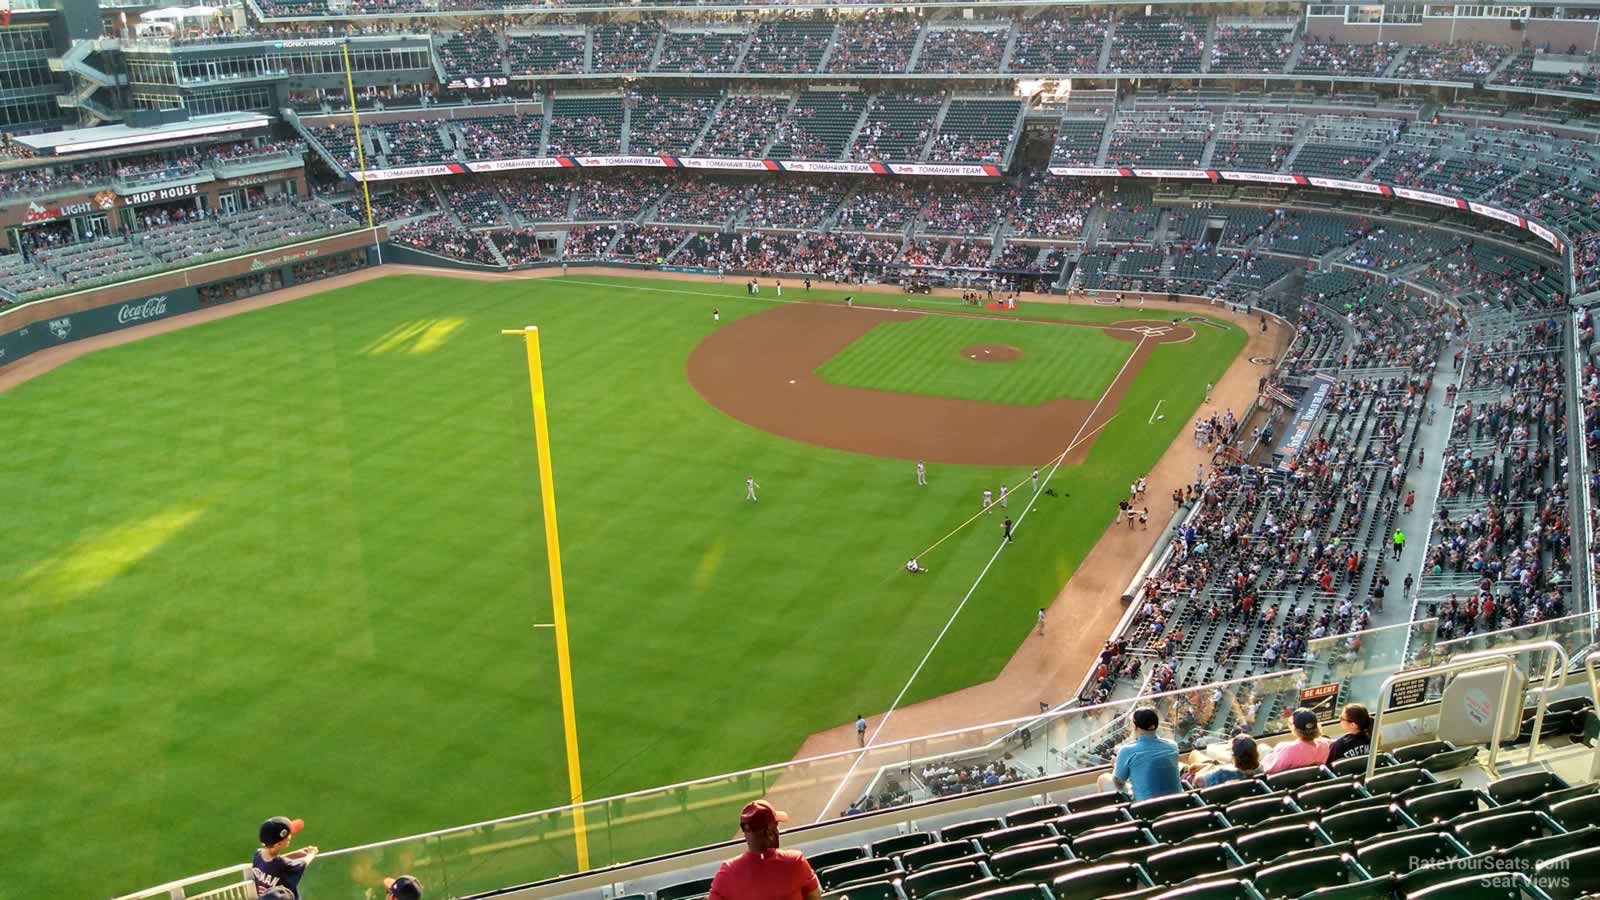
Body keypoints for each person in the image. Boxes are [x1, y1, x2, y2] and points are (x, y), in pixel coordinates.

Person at [708, 801, 821, 900]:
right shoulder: (796, 861)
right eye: (776, 826)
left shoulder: (726, 874)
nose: (778, 831)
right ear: (770, 834)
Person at [1101, 707, 1182, 800]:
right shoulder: (1172, 746)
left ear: (1135, 727)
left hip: (1144, 809)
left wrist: (1116, 765)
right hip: (1177, 802)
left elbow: (1118, 783)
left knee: (1103, 779)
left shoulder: (1127, 751)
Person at [250, 816, 318, 899]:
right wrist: (312, 853)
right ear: (278, 844)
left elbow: (273, 861)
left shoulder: (258, 855)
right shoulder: (285, 865)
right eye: (288, 835)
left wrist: (296, 853)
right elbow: (303, 863)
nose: (290, 836)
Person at [1265, 708, 1332, 774]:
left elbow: (1269, 770)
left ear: (1293, 727)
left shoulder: (1288, 749)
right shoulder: (1325, 746)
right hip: (1312, 780)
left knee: (1263, 748)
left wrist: (1271, 755)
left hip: (1289, 784)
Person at [1189, 734, 1263, 787]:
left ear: (1234, 756)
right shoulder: (1261, 770)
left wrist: (1209, 766)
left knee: (1194, 754)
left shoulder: (1221, 773)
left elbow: (1197, 781)